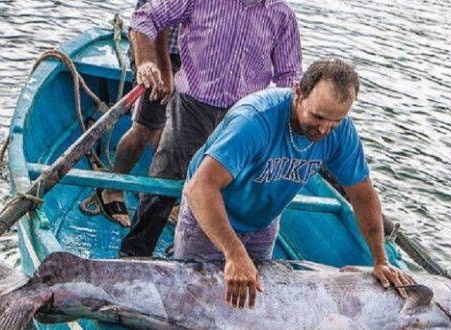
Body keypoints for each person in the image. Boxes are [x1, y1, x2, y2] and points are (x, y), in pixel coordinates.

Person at [175, 59, 415, 309]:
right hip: (212, 214)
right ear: (299, 92)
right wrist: (234, 253)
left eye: (335, 122)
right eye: (318, 117)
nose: (324, 130)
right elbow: (200, 187)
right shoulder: (255, 120)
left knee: (250, 301)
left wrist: (381, 260)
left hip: (263, 220)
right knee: (193, 301)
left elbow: (362, 193)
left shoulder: (340, 132)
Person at [119, 0, 302, 257]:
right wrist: (147, 62)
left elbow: (289, 75)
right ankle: (135, 253)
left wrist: (284, 125)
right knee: (165, 178)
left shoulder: (282, 16)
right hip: (192, 106)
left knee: (229, 188)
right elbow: (144, 18)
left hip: (244, 117)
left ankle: (200, 250)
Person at [96, 0, 181, 228]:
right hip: (152, 51)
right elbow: (156, 20)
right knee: (146, 127)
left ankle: (159, 191)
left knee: (173, 129)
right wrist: (163, 68)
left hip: (189, 56)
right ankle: (112, 189)